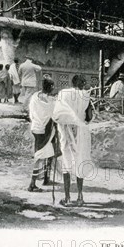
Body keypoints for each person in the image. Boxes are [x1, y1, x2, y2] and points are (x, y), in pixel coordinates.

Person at [52, 75, 93, 206]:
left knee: (66, 161)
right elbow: (89, 116)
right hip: (80, 131)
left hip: (66, 130)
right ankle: (80, 196)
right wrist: (80, 120)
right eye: (84, 81)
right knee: (80, 159)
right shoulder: (86, 95)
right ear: (81, 83)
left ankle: (67, 197)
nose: (85, 83)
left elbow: (57, 114)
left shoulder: (63, 94)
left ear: (72, 83)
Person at [28, 77, 57, 192]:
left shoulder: (35, 96)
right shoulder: (51, 102)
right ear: (50, 88)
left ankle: (46, 178)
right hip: (45, 131)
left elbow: (31, 113)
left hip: (36, 128)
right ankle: (32, 184)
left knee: (49, 153)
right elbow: (55, 115)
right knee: (40, 156)